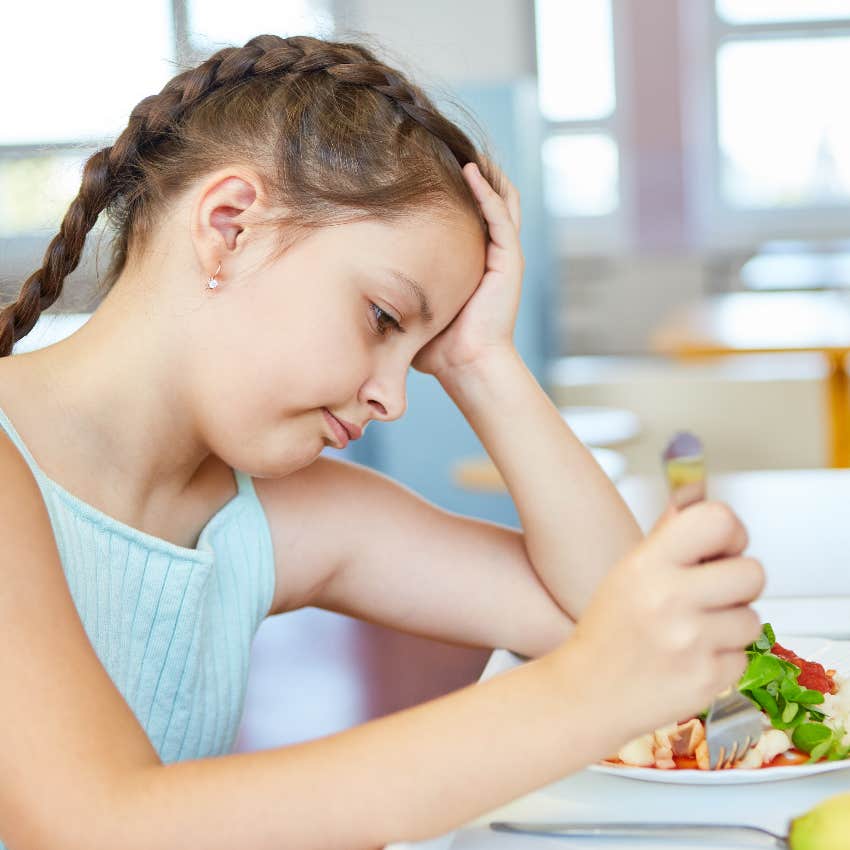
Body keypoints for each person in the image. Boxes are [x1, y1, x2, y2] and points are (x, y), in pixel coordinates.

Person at [0, 33, 764, 850]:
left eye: (421, 355)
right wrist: (583, 692)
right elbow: (91, 824)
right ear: (230, 228)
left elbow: (607, 619)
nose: (393, 398)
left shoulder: (273, 516)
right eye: (383, 319)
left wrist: (481, 363)